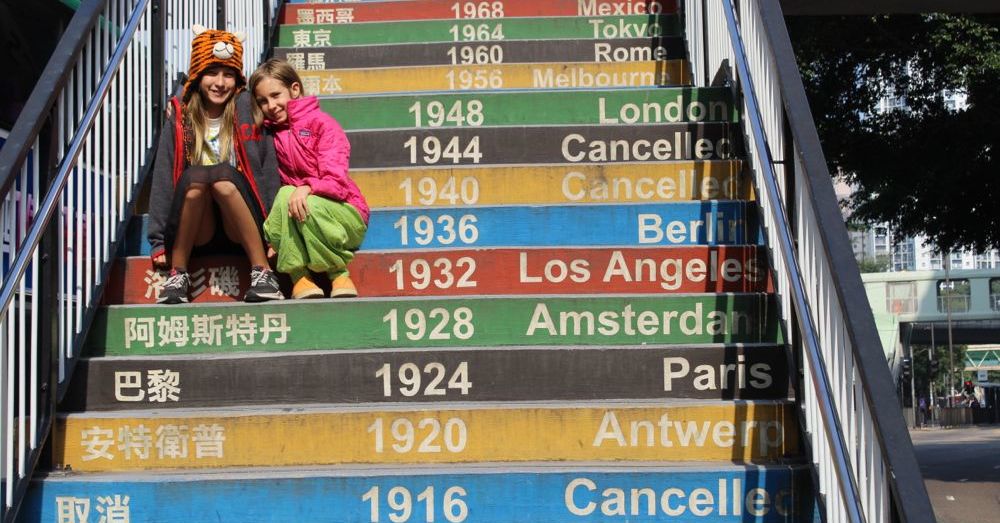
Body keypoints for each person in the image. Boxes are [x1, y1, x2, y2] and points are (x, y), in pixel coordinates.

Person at [148, 25, 282, 304]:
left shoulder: (247, 109)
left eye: (229, 74)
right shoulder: (181, 116)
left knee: (222, 179)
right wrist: (159, 240)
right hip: (198, 227)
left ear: (238, 79)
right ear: (197, 75)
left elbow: (267, 168)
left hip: (242, 222)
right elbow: (163, 174)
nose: (220, 83)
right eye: (211, 72)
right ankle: (179, 273)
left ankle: (263, 272)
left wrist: (275, 233)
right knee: (196, 180)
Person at [248, 58, 369, 298]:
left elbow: (336, 181)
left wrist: (307, 187)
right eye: (263, 101)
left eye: (276, 95)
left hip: (344, 214)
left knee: (303, 200)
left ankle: (338, 274)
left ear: (294, 89)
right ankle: (300, 278)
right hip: (298, 214)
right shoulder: (269, 135)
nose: (271, 105)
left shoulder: (323, 124)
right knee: (285, 194)